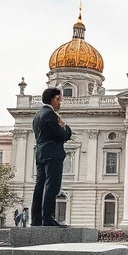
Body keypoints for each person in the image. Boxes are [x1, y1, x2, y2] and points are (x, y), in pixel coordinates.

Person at [31, 88, 72, 227]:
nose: (60, 102)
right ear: (53, 99)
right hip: (52, 153)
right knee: (52, 186)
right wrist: (64, 126)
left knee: (40, 186)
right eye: (59, 99)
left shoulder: (37, 115)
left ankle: (36, 219)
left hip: (40, 153)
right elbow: (64, 135)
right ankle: (48, 218)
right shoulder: (50, 114)